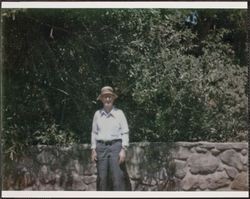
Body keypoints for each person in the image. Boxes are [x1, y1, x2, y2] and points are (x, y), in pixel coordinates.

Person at [91, 86, 130, 191]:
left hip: (116, 147)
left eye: (109, 97)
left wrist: (123, 149)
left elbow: (125, 132)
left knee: (118, 177)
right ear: (102, 99)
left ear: (113, 98)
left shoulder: (119, 113)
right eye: (105, 97)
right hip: (101, 147)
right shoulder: (97, 114)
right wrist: (93, 149)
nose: (107, 99)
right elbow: (94, 132)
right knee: (102, 177)